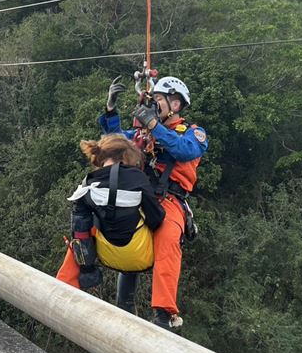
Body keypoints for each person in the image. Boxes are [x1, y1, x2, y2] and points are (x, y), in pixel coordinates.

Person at [100, 76, 207, 330]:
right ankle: (110, 298)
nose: (153, 105)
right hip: (139, 195)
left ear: (175, 105)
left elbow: (184, 151)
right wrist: (111, 110)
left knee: (168, 237)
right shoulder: (142, 134)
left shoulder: (192, 133)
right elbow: (113, 140)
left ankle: (163, 313)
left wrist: (154, 126)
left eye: (158, 100)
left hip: (169, 199)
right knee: (101, 218)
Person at [68, 134, 165, 296]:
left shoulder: (87, 184)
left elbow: (79, 232)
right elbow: (156, 219)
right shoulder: (137, 178)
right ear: (126, 156)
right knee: (166, 225)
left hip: (106, 256)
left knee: (82, 224)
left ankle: (84, 276)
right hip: (140, 255)